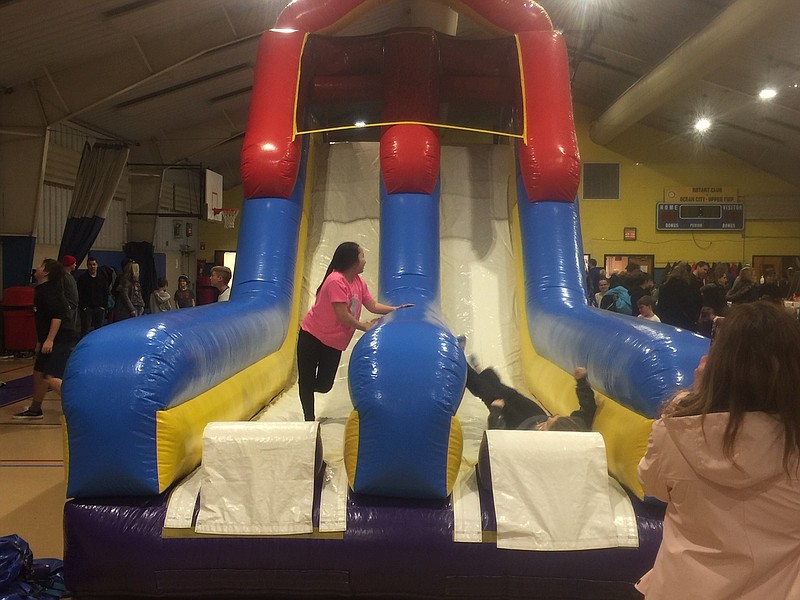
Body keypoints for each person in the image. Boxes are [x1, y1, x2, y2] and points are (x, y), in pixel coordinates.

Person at [636, 301, 800, 599]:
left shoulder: (675, 432)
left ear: (718, 363)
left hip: (681, 588)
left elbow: (653, 487)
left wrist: (691, 399)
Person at [296, 242, 398, 421]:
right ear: (352, 260)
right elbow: (343, 316)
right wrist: (364, 326)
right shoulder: (336, 281)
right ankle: (309, 420)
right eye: (362, 256)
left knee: (325, 384)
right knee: (307, 381)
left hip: (333, 342)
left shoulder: (358, 282)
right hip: (312, 336)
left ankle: (305, 387)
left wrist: (396, 309)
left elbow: (372, 305)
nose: (365, 261)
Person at [13, 259, 79, 420]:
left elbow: (57, 317)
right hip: (50, 338)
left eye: (41, 266)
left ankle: (81, 407)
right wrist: (40, 341)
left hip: (61, 338)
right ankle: (36, 409)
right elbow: (44, 319)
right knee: (39, 372)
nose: (37, 267)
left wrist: (49, 340)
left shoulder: (50, 291)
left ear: (47, 272)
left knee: (51, 376)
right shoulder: (42, 289)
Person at [467, 364, 596, 432]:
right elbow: (588, 408)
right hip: (534, 414)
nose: (550, 417)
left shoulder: (531, 446)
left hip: (518, 426)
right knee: (506, 392)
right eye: (553, 417)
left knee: (489, 395)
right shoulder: (576, 426)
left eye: (544, 426)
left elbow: (497, 438)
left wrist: (496, 412)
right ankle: (481, 373)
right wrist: (581, 381)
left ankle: (462, 366)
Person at [77, 256, 109, 336]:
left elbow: (106, 292)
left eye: (94, 264)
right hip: (87, 309)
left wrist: (103, 306)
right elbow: (79, 293)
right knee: (85, 330)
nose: (92, 267)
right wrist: (83, 307)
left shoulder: (102, 278)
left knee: (99, 330)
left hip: (99, 308)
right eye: (90, 265)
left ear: (97, 265)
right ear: (87, 266)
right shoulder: (82, 279)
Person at [60, 255, 81, 332]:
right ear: (70, 264)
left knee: (73, 327)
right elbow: (60, 292)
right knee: (67, 328)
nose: (75, 265)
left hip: (73, 307)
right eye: (74, 263)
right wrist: (67, 305)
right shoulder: (63, 276)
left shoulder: (70, 276)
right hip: (68, 308)